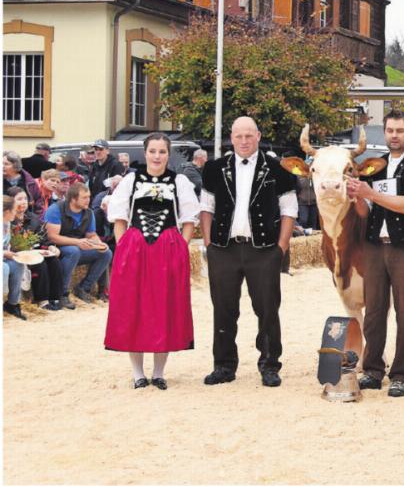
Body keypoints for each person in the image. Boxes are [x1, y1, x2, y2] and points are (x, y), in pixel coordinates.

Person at [346, 110, 404, 399]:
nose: (394, 135)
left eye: (399, 130)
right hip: (375, 245)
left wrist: (370, 194)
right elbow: (366, 211)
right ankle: (372, 370)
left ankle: (400, 375)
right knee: (373, 311)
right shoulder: (375, 167)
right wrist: (357, 197)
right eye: (389, 130)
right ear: (384, 133)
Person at [200, 116, 297, 388]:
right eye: (238, 136)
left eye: (249, 136)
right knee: (223, 307)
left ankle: (269, 364)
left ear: (258, 136)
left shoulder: (277, 170)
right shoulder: (214, 168)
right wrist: (209, 243)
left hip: (264, 250)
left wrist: (281, 247)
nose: (243, 141)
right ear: (231, 137)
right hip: (224, 248)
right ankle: (224, 365)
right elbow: (206, 207)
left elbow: (289, 210)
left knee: (267, 308)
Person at [105, 133, 200, 390]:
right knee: (133, 306)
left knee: (164, 306)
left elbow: (190, 219)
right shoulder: (131, 180)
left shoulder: (179, 181)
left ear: (168, 155)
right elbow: (119, 217)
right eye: (153, 151)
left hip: (168, 249)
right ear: (145, 153)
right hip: (135, 248)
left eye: (162, 152)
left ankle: (159, 372)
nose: (157, 156)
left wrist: (181, 245)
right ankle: (138, 373)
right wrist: (123, 245)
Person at [45, 182, 113, 305]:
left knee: (106, 253)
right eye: (84, 197)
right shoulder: (56, 209)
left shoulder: (88, 212)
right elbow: (52, 237)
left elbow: (91, 235)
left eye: (89, 197)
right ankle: (62, 293)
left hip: (78, 247)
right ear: (73, 199)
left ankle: (83, 288)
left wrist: (98, 243)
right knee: (73, 251)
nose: (88, 200)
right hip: (57, 248)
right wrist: (77, 242)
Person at [8, 187, 64, 311]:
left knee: (54, 261)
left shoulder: (33, 218)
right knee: (40, 263)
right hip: (17, 254)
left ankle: (55, 297)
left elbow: (43, 238)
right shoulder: (8, 220)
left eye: (25, 199)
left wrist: (50, 247)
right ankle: (42, 300)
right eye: (19, 199)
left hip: (35, 251)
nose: (23, 202)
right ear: (11, 201)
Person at [2, 195, 27, 320]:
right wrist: (5, 254)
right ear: (7, 211)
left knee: (17, 264)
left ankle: (12, 303)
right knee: (4, 268)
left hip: (3, 257)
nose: (15, 212)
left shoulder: (6, 224)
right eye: (13, 209)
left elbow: (6, 245)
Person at [4, 152, 45, 216]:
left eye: (6, 164)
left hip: (27, 221)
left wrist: (36, 220)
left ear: (15, 166)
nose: (2, 166)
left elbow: (39, 203)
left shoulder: (30, 182)